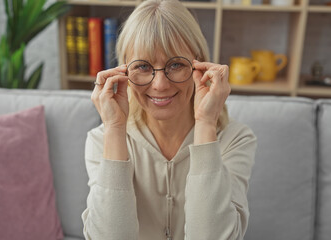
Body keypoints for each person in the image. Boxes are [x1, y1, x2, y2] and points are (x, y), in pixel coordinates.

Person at [81, 0, 257, 239]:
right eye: (142, 66)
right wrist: (114, 128)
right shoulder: (102, 140)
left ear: (200, 66)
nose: (160, 85)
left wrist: (206, 123)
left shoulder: (234, 139)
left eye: (176, 64)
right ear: (123, 73)